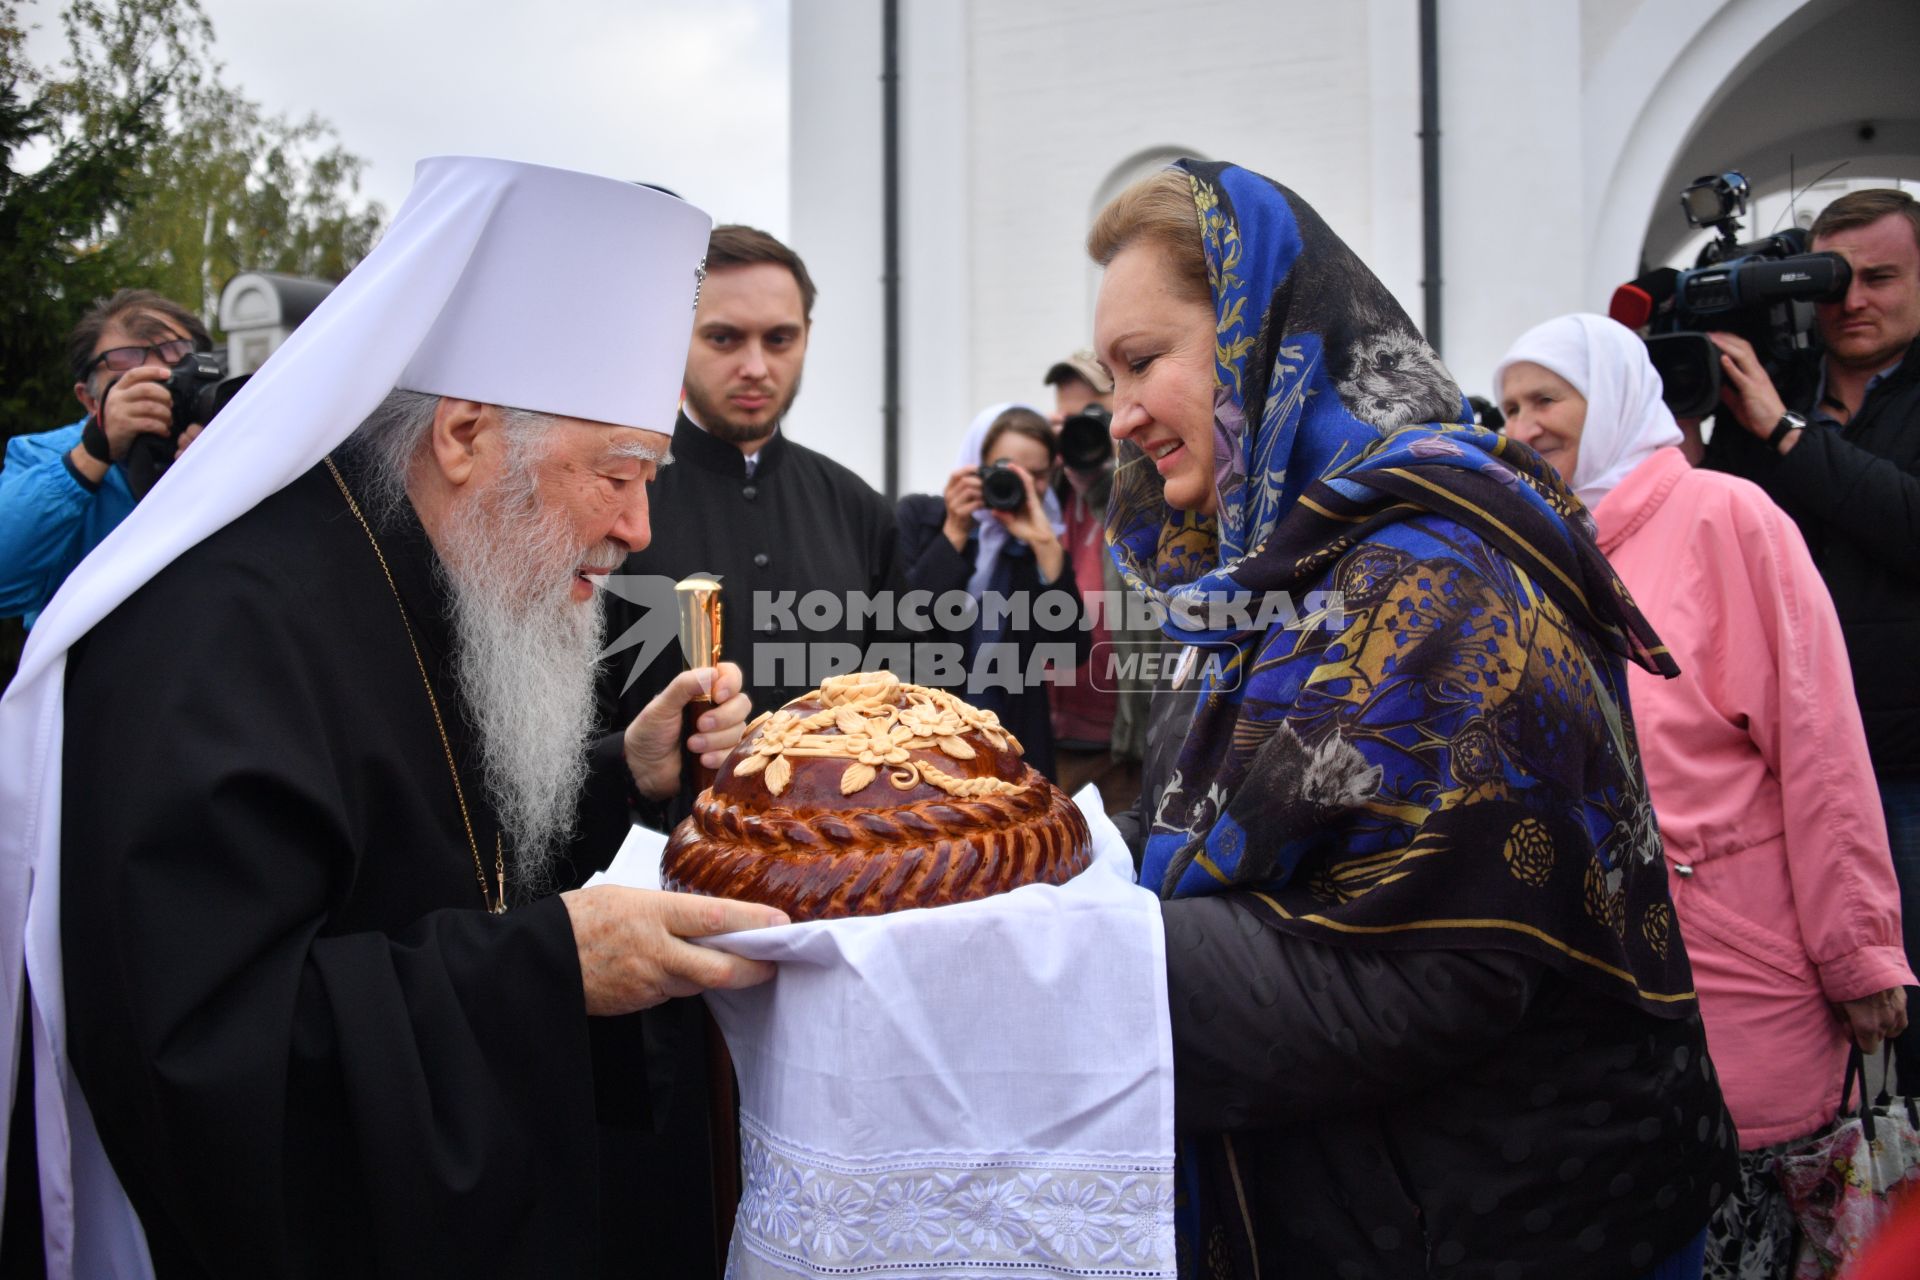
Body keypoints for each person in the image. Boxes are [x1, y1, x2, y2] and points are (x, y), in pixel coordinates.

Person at [0, 158, 790, 1278]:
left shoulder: (426, 567)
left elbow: (439, 858)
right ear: (464, 433)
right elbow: (205, 1059)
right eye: (618, 471)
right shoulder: (219, 633)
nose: (641, 526)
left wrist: (622, 771)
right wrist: (550, 968)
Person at [1093, 160, 1735, 1278]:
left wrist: (1074, 960)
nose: (1121, 414)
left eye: (1144, 361)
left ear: (1261, 336)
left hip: (1508, 1219)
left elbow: (1429, 968)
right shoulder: (1290, 569)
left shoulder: (1437, 569)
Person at [1497, 312, 1912, 1278]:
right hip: (1599, 991)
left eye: (1548, 398)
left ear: (1619, 399)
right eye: (1511, 403)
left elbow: (1819, 744)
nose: (1524, 425)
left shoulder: (1726, 516)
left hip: (1744, 968)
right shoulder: (1541, 548)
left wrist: (1859, 950)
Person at [1701, 189, 1920, 1078]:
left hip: (1906, 767)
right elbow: (1715, 525)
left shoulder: (1777, 412)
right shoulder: (1773, 389)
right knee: (1800, 1005)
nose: (1852, 300)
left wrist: (1788, 435)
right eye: (1831, 280)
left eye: (1879, 277)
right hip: (1787, 771)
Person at [601, 224, 902, 739]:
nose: (756, 367)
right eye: (724, 338)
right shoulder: (614, 496)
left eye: (779, 339)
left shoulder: (858, 508)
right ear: (678, 335)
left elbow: (900, 692)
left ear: (807, 335)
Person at [896, 404, 1084, 783]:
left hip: (1013, 743)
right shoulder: (921, 518)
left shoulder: (1039, 548)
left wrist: (1045, 545)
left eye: (1035, 476)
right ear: (975, 465)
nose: (1019, 486)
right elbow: (903, 624)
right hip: (925, 739)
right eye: (1005, 471)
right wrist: (954, 533)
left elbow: (1072, 652)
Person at [0, 290, 210, 626]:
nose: (156, 374)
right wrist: (92, 455)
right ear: (89, 399)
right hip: (94, 670)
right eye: (125, 359)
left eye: (175, 353)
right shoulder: (42, 455)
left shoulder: (225, 442)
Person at [1042, 350, 1150, 811]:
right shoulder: (1047, 497)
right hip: (1046, 742)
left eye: (1094, 416)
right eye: (1067, 420)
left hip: (1120, 748)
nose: (1081, 432)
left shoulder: (1149, 499)